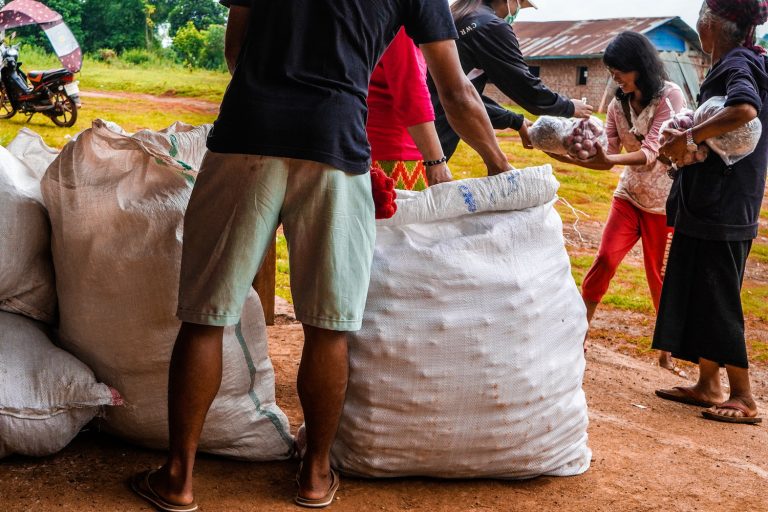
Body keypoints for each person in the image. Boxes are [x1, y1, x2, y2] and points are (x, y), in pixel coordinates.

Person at [129, 0, 514, 510]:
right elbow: (454, 90)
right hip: (336, 142)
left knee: (206, 317)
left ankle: (178, 480)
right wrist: (499, 165)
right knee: (328, 325)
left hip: (249, 129)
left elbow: (236, 50)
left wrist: (272, 83)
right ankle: (314, 475)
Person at [654, 0, 768, 424]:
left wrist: (689, 136)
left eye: (701, 16)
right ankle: (708, 384)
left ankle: (744, 396)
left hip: (723, 202)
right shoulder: (741, 60)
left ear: (710, 25)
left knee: (718, 295)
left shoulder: (739, 63)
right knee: (701, 289)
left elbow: (744, 110)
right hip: (711, 201)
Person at [545, 32, 685, 371]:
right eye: (610, 71)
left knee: (659, 277)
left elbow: (653, 152)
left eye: (618, 71)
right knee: (605, 259)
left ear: (639, 66)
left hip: (664, 202)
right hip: (629, 196)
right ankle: (578, 335)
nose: (614, 78)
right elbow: (606, 152)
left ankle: (666, 352)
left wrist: (609, 161)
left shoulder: (670, 97)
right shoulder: (616, 104)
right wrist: (564, 153)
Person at [429, 0, 594, 160]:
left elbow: (459, 96)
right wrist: (569, 106)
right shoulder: (490, 26)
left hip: (417, 129)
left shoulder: (455, 17)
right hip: (427, 144)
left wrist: (516, 121)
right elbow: (526, 88)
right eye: (519, 5)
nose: (516, 12)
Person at [368, 28, 451, 190]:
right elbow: (411, 91)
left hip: (369, 149)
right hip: (395, 157)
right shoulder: (401, 28)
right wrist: (436, 161)